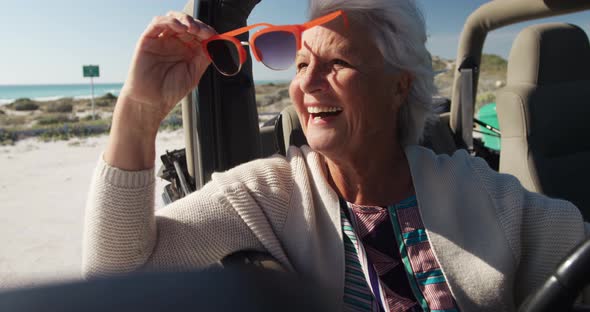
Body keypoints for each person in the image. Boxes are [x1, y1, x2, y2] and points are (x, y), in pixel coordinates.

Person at [82, 0, 587, 311]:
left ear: (398, 86)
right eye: (300, 63)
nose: (305, 83)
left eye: (338, 62)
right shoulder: (264, 195)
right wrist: (140, 108)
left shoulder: (482, 192)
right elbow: (114, 276)